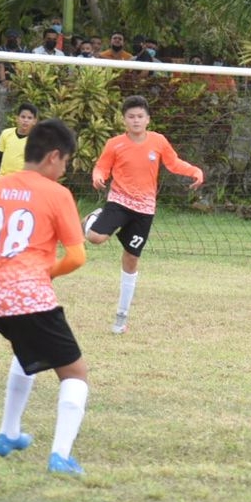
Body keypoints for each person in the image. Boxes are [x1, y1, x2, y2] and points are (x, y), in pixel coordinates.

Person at [0, 117, 92, 477]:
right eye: (67, 163)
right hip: (29, 297)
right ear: (54, 157)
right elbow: (76, 257)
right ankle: (61, 457)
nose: (65, 170)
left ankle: (9, 433)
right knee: (75, 373)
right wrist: (44, 274)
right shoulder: (57, 195)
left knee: (27, 351)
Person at [85, 95, 205, 334]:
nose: (136, 120)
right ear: (124, 120)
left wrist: (194, 171)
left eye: (140, 116)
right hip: (119, 201)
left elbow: (173, 163)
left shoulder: (158, 141)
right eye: (131, 117)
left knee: (131, 258)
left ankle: (122, 316)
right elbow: (102, 166)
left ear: (148, 119)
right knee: (96, 238)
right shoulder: (114, 144)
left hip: (144, 209)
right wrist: (98, 176)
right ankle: (93, 218)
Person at [0, 103, 40, 179]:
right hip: (3, 179)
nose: (25, 120)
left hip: (21, 182)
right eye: (23, 117)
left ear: (34, 121)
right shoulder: (6, 134)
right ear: (17, 118)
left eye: (29, 118)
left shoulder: (35, 140)